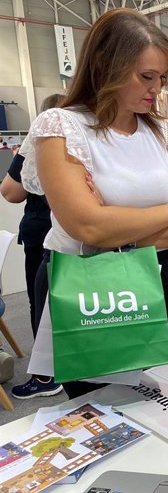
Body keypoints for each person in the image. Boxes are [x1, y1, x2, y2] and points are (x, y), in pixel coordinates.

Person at [15, 8, 168, 400]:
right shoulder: (62, 126)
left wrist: (117, 229)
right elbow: (86, 225)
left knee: (165, 405)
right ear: (107, 66)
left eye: (161, 79)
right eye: (146, 77)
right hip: (92, 289)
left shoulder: (166, 133)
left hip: (163, 279)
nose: (156, 90)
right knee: (98, 411)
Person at [1, 94, 61, 398]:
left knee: (41, 303)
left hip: (43, 232)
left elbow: (10, 192)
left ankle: (46, 376)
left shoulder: (39, 142)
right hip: (76, 236)